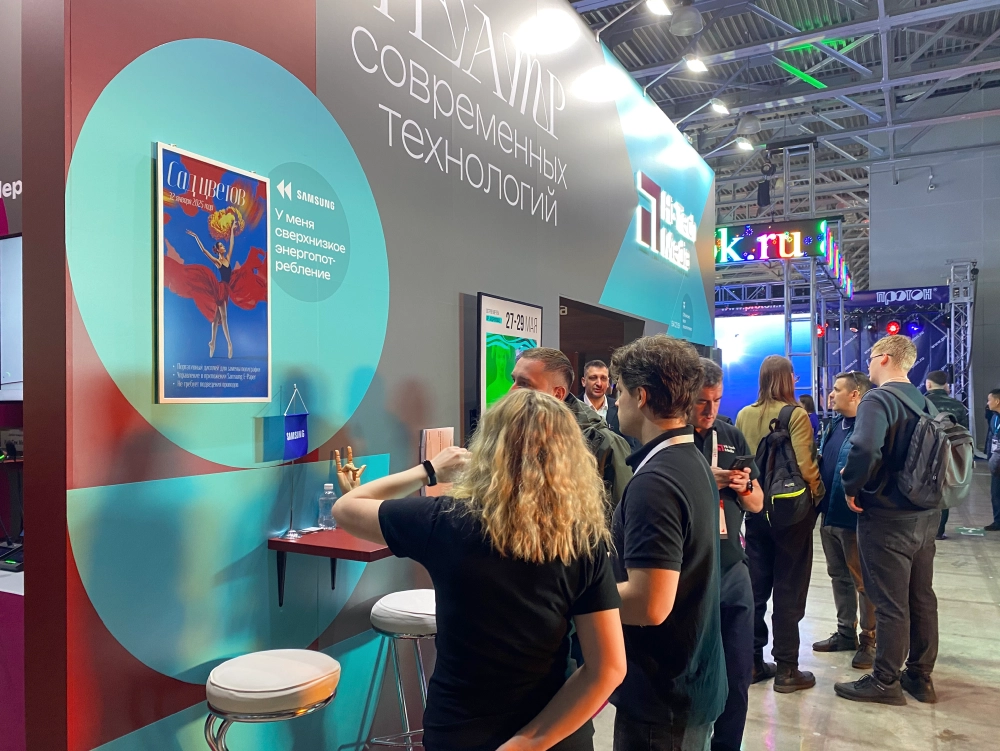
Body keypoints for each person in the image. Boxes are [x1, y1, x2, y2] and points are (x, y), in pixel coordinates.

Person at [332, 389, 628, 751]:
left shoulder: (446, 521)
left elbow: (346, 507)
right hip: (556, 732)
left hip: (461, 730)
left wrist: (429, 470)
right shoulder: (581, 539)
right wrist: (529, 743)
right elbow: (608, 667)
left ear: (489, 449)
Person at [608, 335, 727, 751]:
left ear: (641, 396)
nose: (615, 401)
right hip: (686, 681)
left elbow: (650, 603)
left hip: (664, 699)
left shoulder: (656, 481)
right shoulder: (687, 459)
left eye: (620, 391)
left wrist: (573, 596)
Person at [834, 335, 940, 706]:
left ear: (883, 358)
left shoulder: (877, 399)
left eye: (870, 357)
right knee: (921, 597)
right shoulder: (923, 401)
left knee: (890, 602)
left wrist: (851, 485)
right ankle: (920, 677)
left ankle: (884, 681)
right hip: (924, 516)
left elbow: (865, 448)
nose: (867, 364)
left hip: (887, 516)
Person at [736, 355, 825, 693]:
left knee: (756, 588)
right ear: (787, 379)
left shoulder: (744, 414)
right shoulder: (795, 414)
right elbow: (806, 465)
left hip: (756, 510)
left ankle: (752, 663)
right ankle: (787, 668)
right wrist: (818, 495)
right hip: (791, 514)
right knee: (790, 588)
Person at [691, 358, 764, 751]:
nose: (710, 409)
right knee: (694, 671)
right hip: (690, 568)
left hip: (733, 566)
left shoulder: (732, 435)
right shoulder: (672, 436)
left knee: (738, 673)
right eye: (702, 401)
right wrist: (708, 478)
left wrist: (743, 487)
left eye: (717, 400)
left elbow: (757, 503)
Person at [512, 348, 632, 509]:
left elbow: (622, 515)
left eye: (524, 384)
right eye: (513, 381)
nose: (512, 391)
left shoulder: (604, 444)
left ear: (557, 394)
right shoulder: (508, 433)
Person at [813, 371, 876, 671]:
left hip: (855, 520)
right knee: (838, 576)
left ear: (854, 394)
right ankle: (845, 633)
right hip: (829, 515)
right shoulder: (835, 425)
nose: (831, 394)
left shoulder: (870, 428)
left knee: (863, 583)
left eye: (836, 389)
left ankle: (869, 641)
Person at [924, 371, 970, 538]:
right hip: (949, 454)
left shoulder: (921, 402)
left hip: (925, 453)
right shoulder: (957, 406)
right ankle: (939, 531)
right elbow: (964, 433)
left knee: (922, 488)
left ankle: (923, 529)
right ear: (945, 385)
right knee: (944, 489)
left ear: (928, 384)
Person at [581, 360, 641, 452]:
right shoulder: (571, 408)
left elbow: (631, 447)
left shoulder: (620, 407)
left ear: (608, 382)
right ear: (583, 381)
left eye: (603, 378)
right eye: (593, 378)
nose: (599, 383)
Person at [986, 389, 1000, 532]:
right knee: (995, 493)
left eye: (989, 400)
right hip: (996, 461)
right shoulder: (994, 417)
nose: (987, 403)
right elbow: (991, 437)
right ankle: (998, 521)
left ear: (997, 401)